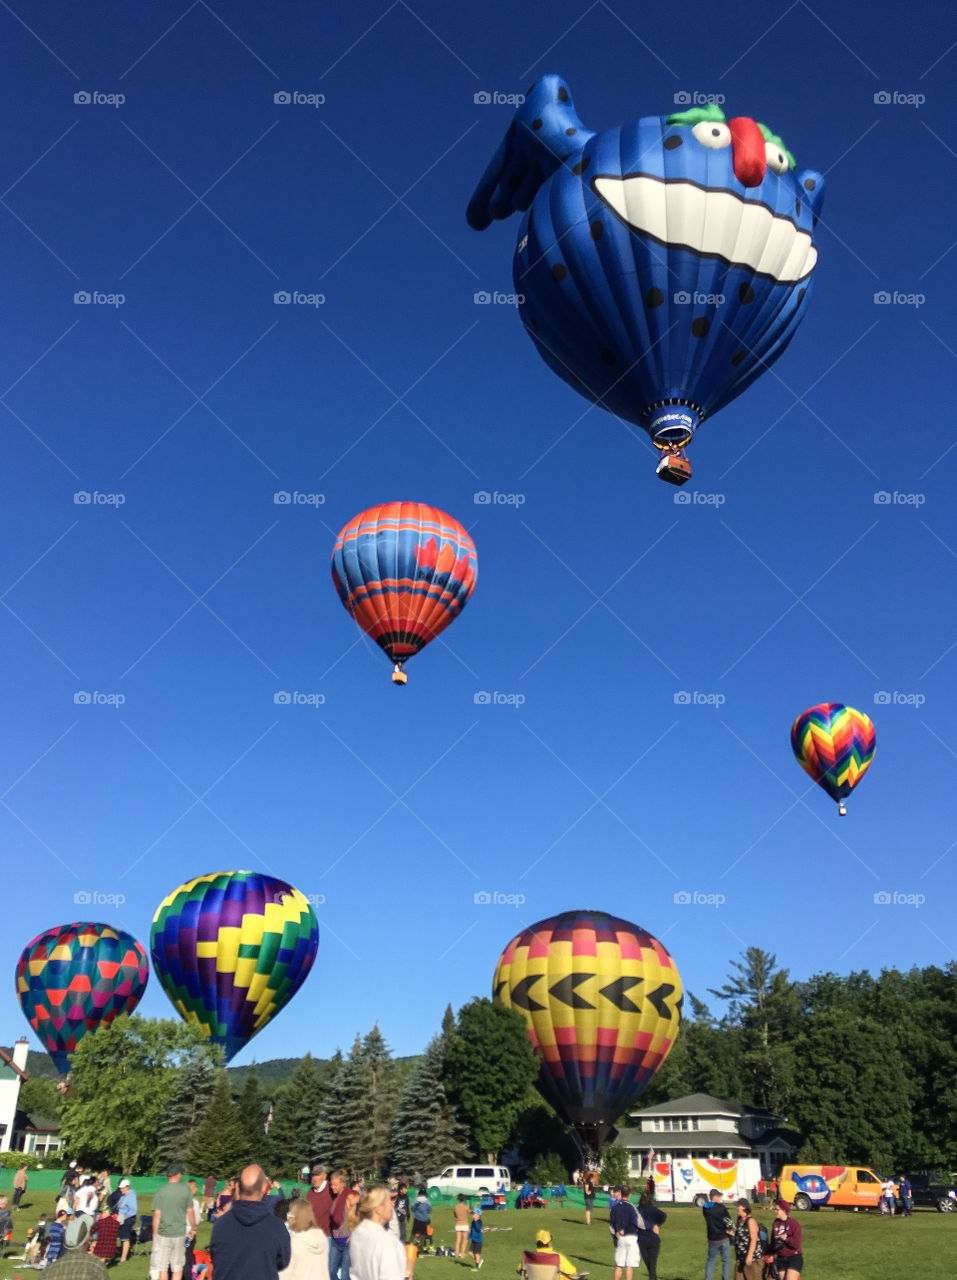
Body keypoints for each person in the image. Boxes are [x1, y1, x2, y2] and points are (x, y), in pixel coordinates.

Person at [210, 1164, 291, 1280]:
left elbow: (216, 1258)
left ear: (237, 1187)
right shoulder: (276, 1227)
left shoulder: (221, 1225)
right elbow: (282, 1261)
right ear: (264, 1188)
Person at [347, 1187, 406, 1280]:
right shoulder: (386, 1241)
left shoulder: (357, 1233)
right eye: (389, 1201)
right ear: (378, 1209)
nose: (393, 1204)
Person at [150, 1163, 196, 1280]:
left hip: (163, 1234)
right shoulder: (186, 1190)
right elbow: (190, 1211)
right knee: (177, 1269)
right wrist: (193, 1227)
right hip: (179, 1233)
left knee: (163, 1268)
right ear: (178, 1174)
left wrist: (155, 1233)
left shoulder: (161, 1190)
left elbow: (157, 1214)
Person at [279, 1199, 329, 1280]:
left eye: (289, 1215)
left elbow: (285, 1273)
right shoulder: (321, 1237)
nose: (288, 1218)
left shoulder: (294, 1242)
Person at [328, 1171, 357, 1280]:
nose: (332, 1187)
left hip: (347, 1242)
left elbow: (361, 1214)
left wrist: (355, 1233)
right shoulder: (336, 1197)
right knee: (330, 1271)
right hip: (335, 1240)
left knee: (345, 1276)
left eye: (335, 1185)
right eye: (331, 1184)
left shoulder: (350, 1196)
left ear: (343, 1184)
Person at [610, 1184, 640, 1280]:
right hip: (631, 1236)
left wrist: (615, 1234)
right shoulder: (632, 1207)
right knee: (629, 1265)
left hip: (620, 1238)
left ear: (620, 1193)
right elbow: (638, 1222)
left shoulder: (615, 1207)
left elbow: (611, 1224)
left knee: (619, 1265)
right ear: (630, 1194)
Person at [702, 1189, 733, 1280]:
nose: (720, 1198)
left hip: (712, 1238)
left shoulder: (705, 1208)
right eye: (718, 1196)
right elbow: (729, 1221)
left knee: (711, 1260)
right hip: (723, 1237)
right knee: (726, 1261)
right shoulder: (721, 1208)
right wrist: (731, 1229)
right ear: (715, 1197)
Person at [636, 1189, 666, 1280]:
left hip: (641, 1239)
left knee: (648, 1263)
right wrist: (657, 1224)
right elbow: (663, 1216)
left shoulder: (637, 1210)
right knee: (652, 1264)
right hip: (653, 1239)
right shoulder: (653, 1209)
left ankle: (653, 1277)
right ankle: (653, 1277)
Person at [769, 1200, 802, 1280]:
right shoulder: (776, 1223)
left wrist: (786, 1239)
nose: (775, 1211)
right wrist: (771, 1254)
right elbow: (773, 1241)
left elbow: (797, 1243)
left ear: (784, 1210)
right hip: (780, 1258)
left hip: (793, 1257)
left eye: (777, 1209)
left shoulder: (793, 1223)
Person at [731, 1199, 763, 1280]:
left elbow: (754, 1239)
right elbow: (739, 1234)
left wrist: (749, 1255)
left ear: (744, 1207)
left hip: (752, 1259)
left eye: (738, 1206)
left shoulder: (751, 1221)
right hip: (740, 1258)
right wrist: (730, 1232)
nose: (737, 1208)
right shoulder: (739, 1220)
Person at [307, 1168, 334, 1238]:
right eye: (313, 1175)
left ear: (324, 1176)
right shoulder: (310, 1192)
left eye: (317, 1175)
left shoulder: (332, 1189)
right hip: (312, 1235)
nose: (314, 1178)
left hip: (328, 1235)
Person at [116, 1178, 138, 1265]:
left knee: (125, 1237)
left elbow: (133, 1210)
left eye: (122, 1188)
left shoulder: (131, 1196)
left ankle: (123, 1258)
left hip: (128, 1219)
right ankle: (122, 1253)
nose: (121, 1189)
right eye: (120, 1188)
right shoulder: (123, 1196)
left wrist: (125, 1217)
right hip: (121, 1218)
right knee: (121, 1237)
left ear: (127, 1187)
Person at [468, 1206, 483, 1270]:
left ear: (478, 1215)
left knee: (477, 1254)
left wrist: (475, 1221)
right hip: (473, 1240)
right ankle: (479, 1260)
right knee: (470, 1253)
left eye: (474, 1214)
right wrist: (468, 1237)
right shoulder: (473, 1221)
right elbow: (472, 1230)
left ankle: (477, 1267)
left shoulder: (479, 1221)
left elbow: (478, 1228)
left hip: (478, 1241)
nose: (472, 1215)